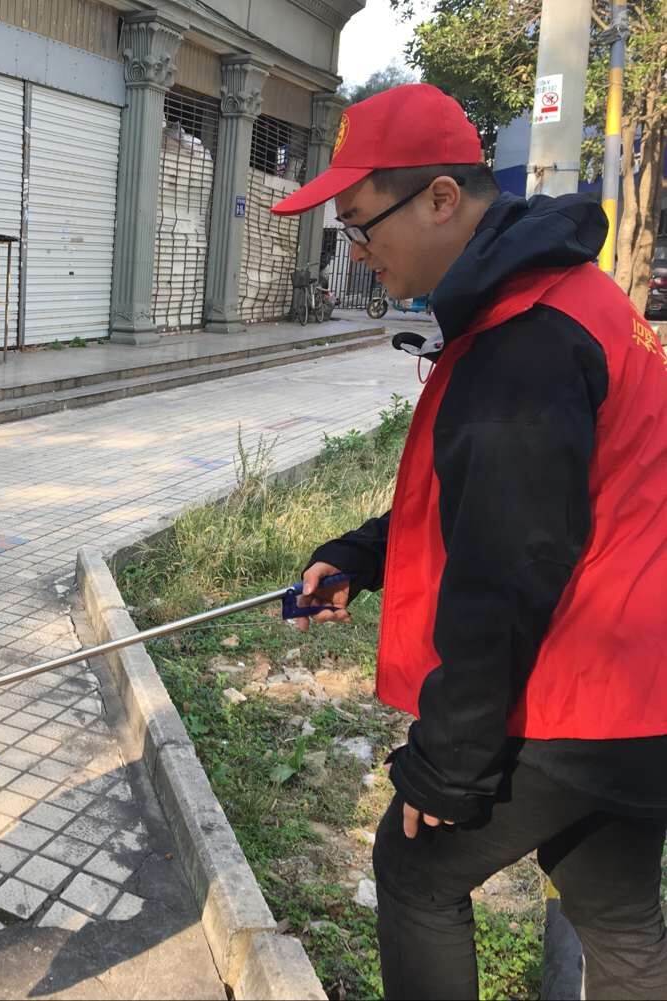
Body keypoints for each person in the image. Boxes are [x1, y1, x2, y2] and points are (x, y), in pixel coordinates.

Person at [273, 84, 667, 999]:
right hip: (643, 688)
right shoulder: (558, 299)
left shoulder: (525, 341)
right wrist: (363, 556)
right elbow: (496, 503)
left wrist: (447, 764)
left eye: (360, 224)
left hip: (584, 684)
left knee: (416, 871)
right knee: (618, 918)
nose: (356, 251)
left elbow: (507, 569)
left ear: (442, 198)